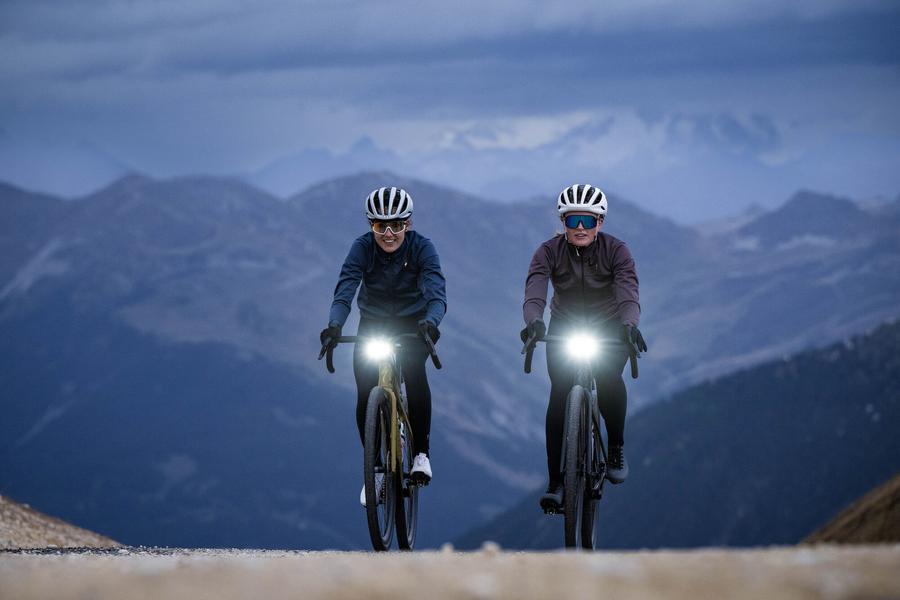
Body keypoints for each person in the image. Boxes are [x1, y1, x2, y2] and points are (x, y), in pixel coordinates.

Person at [521, 184, 647, 509]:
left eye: (588, 221)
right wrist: (534, 320)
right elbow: (535, 287)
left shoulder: (617, 251)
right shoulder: (547, 251)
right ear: (563, 221)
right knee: (559, 392)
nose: (580, 227)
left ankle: (616, 446)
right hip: (565, 325)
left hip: (610, 325)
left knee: (607, 377)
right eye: (573, 219)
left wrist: (629, 325)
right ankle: (556, 483)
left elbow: (628, 291)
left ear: (600, 223)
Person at [320, 186, 447, 507]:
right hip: (373, 324)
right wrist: (334, 325)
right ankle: (375, 469)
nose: (389, 233)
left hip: (414, 323)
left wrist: (431, 321)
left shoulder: (423, 248)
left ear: (409, 223)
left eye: (397, 225)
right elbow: (345, 289)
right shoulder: (361, 249)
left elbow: (436, 291)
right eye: (380, 226)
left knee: (416, 373)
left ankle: (420, 454)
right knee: (366, 388)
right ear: (370, 225)